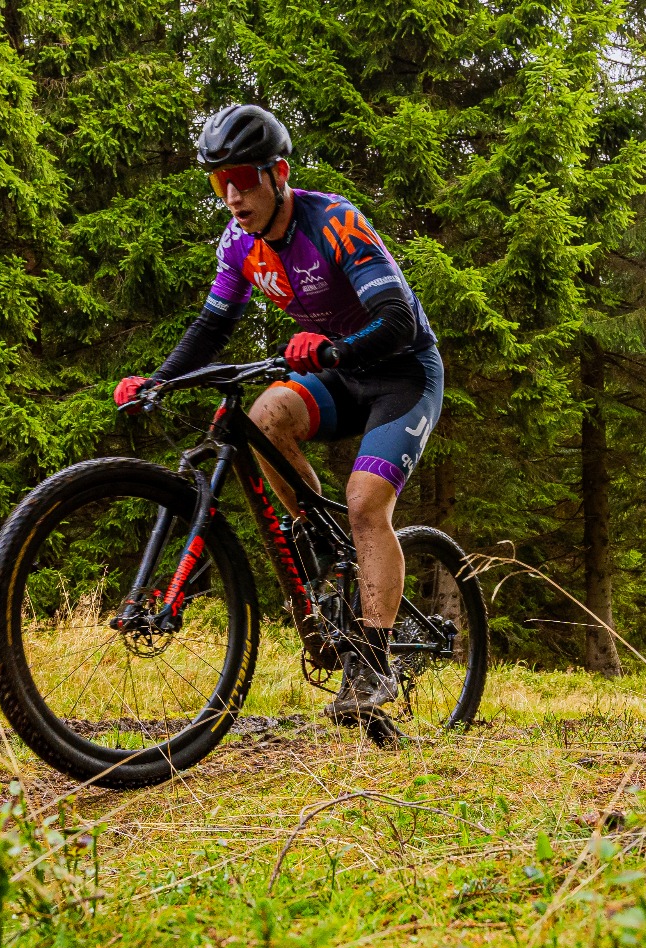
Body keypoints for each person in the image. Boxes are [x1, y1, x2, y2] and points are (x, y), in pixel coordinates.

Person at [114, 104, 442, 721]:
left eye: (243, 178)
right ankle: (322, 551)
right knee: (265, 414)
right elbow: (213, 326)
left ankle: (373, 665)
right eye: (220, 183)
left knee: (367, 502)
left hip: (402, 372)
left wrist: (335, 348)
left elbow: (397, 320)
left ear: (278, 172)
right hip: (339, 371)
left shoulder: (336, 222)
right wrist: (160, 378)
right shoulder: (240, 245)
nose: (233, 195)